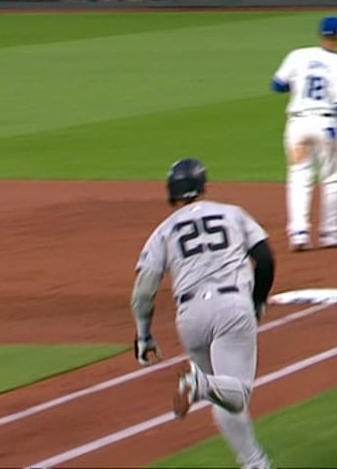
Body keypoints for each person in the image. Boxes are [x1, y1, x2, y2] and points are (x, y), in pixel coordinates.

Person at [130, 158, 275, 469]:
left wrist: (143, 335)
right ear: (204, 186)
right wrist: (258, 301)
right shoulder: (232, 213)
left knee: (223, 393)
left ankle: (255, 463)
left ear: (171, 192)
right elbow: (265, 258)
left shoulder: (163, 231)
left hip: (190, 317)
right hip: (231, 306)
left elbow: (143, 292)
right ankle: (200, 385)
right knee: (236, 392)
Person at [270, 15, 337, 251]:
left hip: (297, 126)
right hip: (326, 126)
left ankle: (299, 234)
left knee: (298, 178)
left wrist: (297, 84)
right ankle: (330, 233)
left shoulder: (298, 55)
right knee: (332, 178)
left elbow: (276, 85)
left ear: (321, 34)